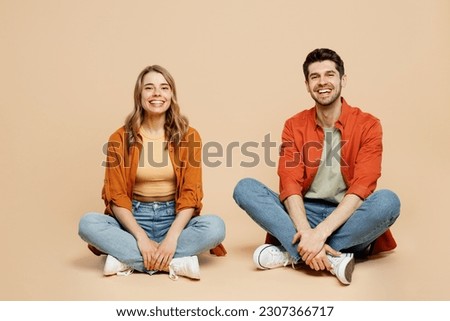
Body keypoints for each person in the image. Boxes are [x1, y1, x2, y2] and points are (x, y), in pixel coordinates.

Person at [233, 48, 400, 285]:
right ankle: (332, 259)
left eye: (329, 75)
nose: (323, 82)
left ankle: (291, 254)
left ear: (342, 79)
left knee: (388, 202)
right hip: (303, 215)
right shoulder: (294, 125)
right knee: (245, 188)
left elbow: (363, 186)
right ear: (307, 84)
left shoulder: (368, 125)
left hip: (347, 217)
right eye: (315, 77)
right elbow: (289, 182)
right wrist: (307, 231)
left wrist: (320, 234)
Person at [79, 65, 226, 280]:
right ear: (140, 96)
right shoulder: (119, 138)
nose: (157, 93)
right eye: (149, 88)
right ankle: (175, 263)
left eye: (164, 88)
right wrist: (140, 237)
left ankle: (126, 259)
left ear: (171, 95)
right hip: (133, 219)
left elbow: (190, 195)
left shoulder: (189, 137)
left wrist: (173, 237)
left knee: (215, 227)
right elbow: (116, 196)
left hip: (174, 217)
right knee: (87, 223)